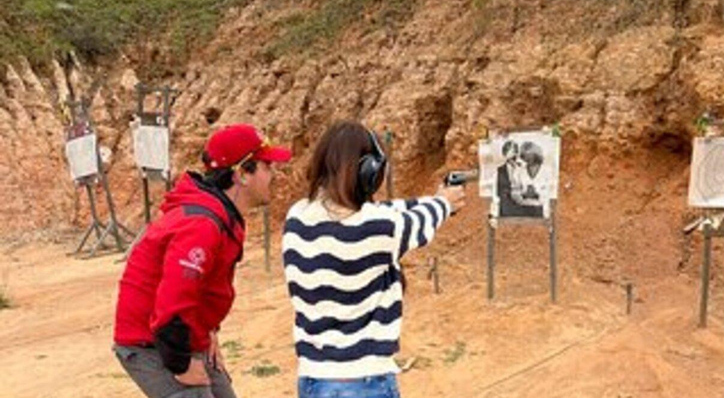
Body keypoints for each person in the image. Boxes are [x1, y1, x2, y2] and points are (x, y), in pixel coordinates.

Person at [282, 121, 465, 398]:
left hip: (313, 379)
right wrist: (445, 202)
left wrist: (433, 199)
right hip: (363, 382)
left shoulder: (297, 216)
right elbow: (416, 221)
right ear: (370, 171)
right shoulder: (378, 227)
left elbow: (384, 211)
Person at [113, 124, 292, 398]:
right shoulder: (203, 225)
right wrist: (181, 363)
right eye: (267, 166)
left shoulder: (219, 215)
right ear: (242, 174)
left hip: (178, 335)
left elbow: (205, 286)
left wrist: (207, 333)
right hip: (153, 341)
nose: (275, 174)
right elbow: (173, 302)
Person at [496, 140, 543, 218]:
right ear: (505, 154)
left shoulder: (521, 168)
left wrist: (527, 191)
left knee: (538, 207)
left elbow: (526, 184)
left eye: (516, 151)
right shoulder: (501, 171)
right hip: (508, 204)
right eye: (512, 151)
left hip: (522, 198)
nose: (515, 154)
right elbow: (499, 192)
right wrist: (512, 194)